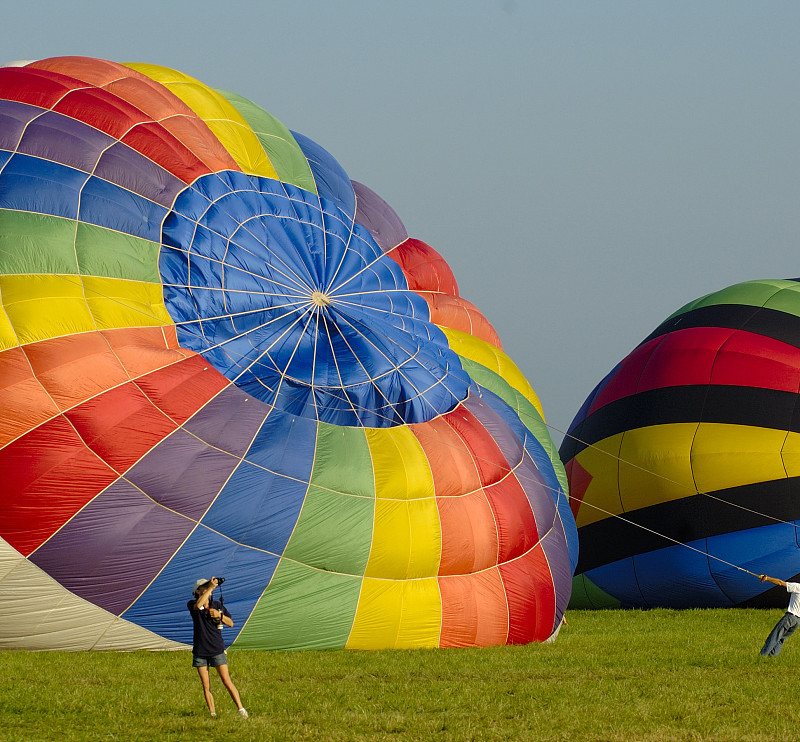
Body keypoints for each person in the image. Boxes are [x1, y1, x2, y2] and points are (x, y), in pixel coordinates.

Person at [188, 577, 248, 718]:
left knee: (226, 681)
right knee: (206, 685)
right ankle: (212, 713)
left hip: (216, 648)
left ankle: (241, 709)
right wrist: (211, 588)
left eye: (207, 586)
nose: (206, 588)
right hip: (200, 650)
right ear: (197, 591)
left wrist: (219, 615)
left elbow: (231, 623)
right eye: (203, 587)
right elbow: (198, 606)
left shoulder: (217, 605)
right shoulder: (192, 603)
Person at [758, 573, 800, 657]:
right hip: (797, 622)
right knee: (781, 639)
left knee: (774, 636)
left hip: (791, 617)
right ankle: (772, 658)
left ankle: (762, 656)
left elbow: (780, 582)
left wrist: (767, 578)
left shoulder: (798, 587)